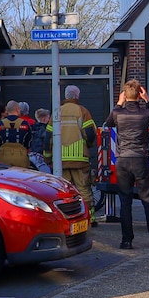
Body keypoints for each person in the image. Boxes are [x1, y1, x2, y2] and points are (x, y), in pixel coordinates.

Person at [103, 79, 149, 249]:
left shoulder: (118, 113)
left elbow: (108, 123)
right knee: (147, 199)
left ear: (124, 94)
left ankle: (127, 240)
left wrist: (119, 103)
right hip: (140, 159)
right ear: (139, 94)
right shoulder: (146, 113)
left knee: (125, 201)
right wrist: (148, 99)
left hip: (123, 160)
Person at [51, 85, 100, 223]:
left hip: (60, 161)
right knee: (83, 189)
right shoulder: (82, 111)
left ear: (65, 96)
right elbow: (90, 133)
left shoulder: (57, 112)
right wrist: (87, 146)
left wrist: (49, 158)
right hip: (80, 160)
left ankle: (67, 219)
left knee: (64, 191)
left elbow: (48, 136)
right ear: (77, 96)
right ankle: (89, 218)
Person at [0, 100, 32, 168]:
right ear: (17, 109)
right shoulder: (25, 124)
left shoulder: (0, 124)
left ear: (7, 110)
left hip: (3, 158)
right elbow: (29, 142)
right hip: (21, 159)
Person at [28, 108, 52, 173]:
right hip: (41, 158)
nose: (49, 120)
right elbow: (47, 143)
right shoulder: (46, 130)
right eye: (48, 118)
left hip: (31, 156)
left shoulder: (31, 128)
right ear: (44, 119)